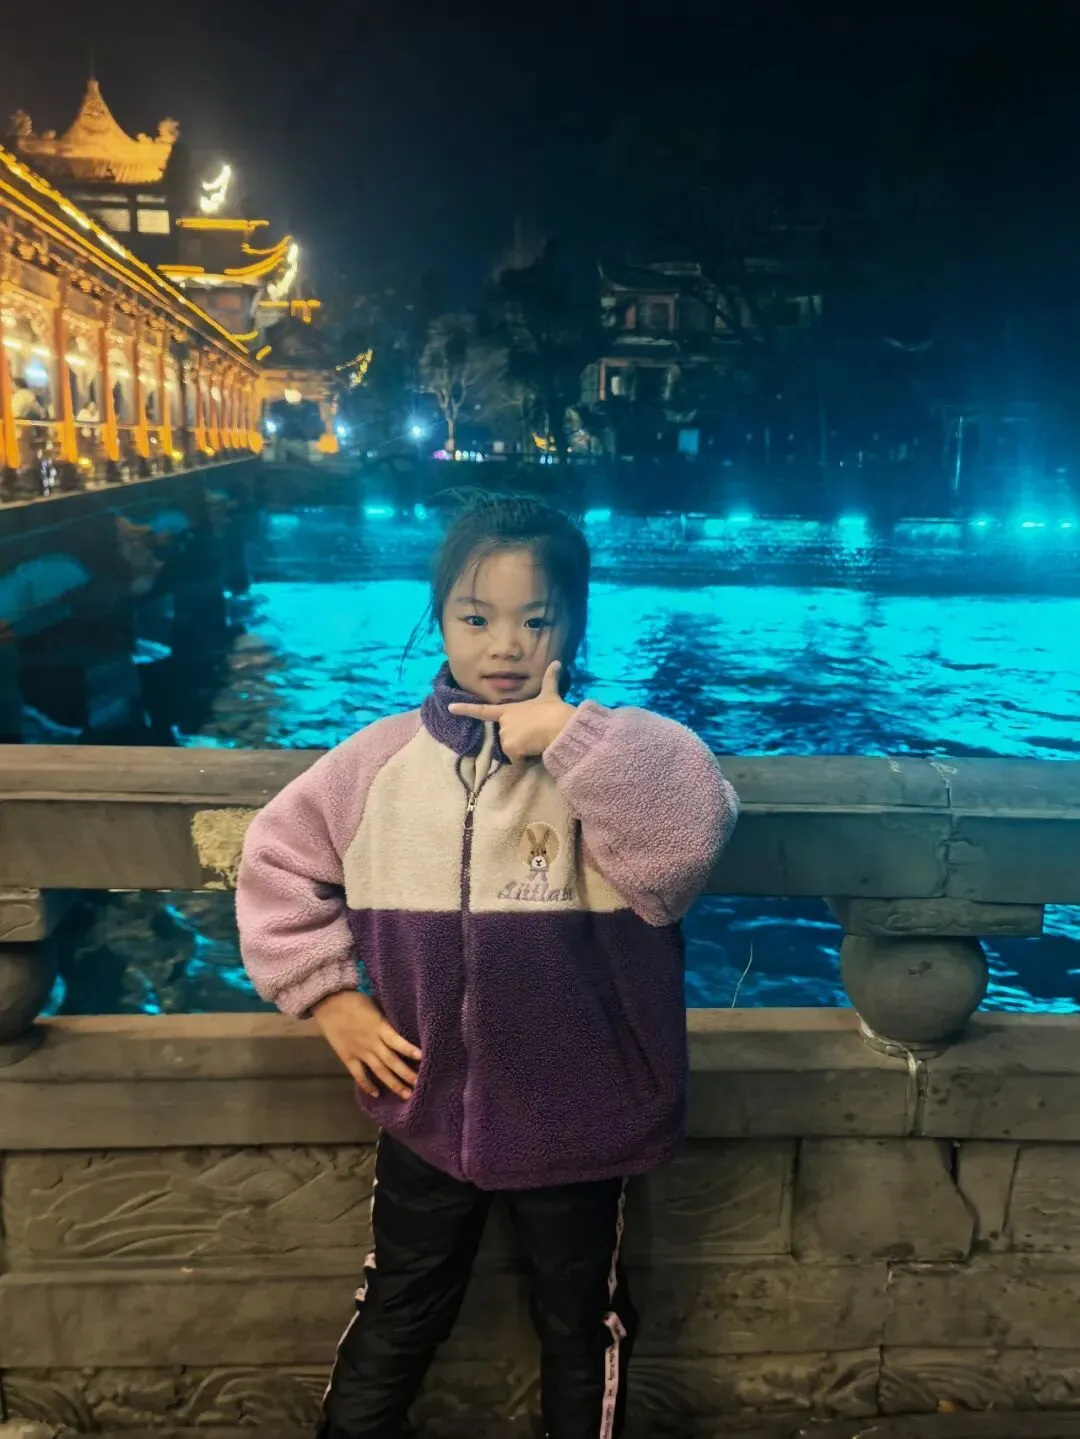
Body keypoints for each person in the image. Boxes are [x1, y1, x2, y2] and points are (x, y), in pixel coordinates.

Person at [236, 494, 739, 1439]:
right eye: (476, 617)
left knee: (580, 1323)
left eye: (535, 619)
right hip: (426, 1105)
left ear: (574, 622)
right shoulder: (377, 764)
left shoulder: (618, 755)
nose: (504, 644)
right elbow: (275, 860)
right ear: (440, 619)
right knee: (399, 1306)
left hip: (582, 1111)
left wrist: (569, 739)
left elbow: (683, 849)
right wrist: (329, 995)